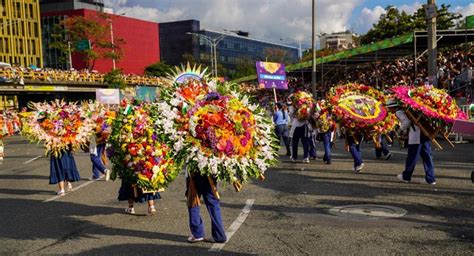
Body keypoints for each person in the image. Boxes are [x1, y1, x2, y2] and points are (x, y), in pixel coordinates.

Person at [386, 99, 436, 185]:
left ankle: (406, 176)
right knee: (427, 157)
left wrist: (398, 130)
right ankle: (431, 179)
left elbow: (406, 122)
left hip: (416, 135)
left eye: (389, 108)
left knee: (412, 157)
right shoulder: (407, 109)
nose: (389, 110)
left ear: (392, 107)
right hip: (424, 132)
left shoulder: (399, 112)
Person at [186, 170, 227, 243]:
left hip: (196, 173)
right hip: (211, 171)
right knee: (213, 204)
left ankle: (197, 234)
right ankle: (219, 235)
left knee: (193, 201)